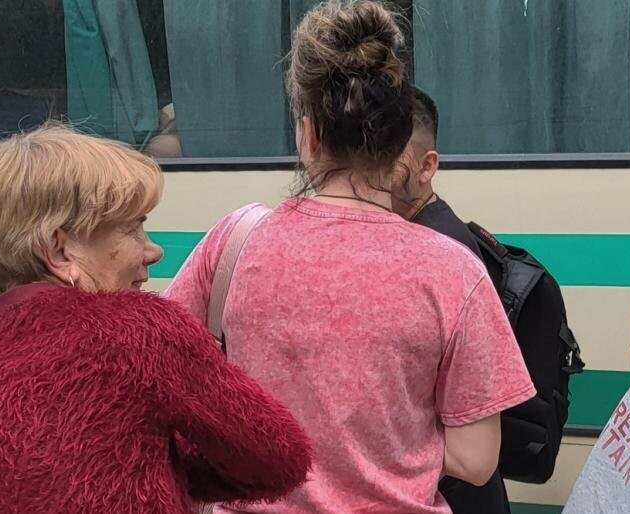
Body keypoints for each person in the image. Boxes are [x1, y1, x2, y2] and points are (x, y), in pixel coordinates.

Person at [162, 2, 535, 513]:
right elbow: (476, 461)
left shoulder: (237, 239)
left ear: (309, 135)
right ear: (400, 145)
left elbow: (159, 372)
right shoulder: (454, 269)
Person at [0, 124, 313, 514]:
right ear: (60, 251)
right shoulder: (138, 334)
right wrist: (163, 466)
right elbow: (277, 460)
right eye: (132, 228)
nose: (153, 250)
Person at [394, 86, 512, 514]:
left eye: (390, 160)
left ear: (427, 167)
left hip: (456, 491)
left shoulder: (440, 249)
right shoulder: (431, 230)